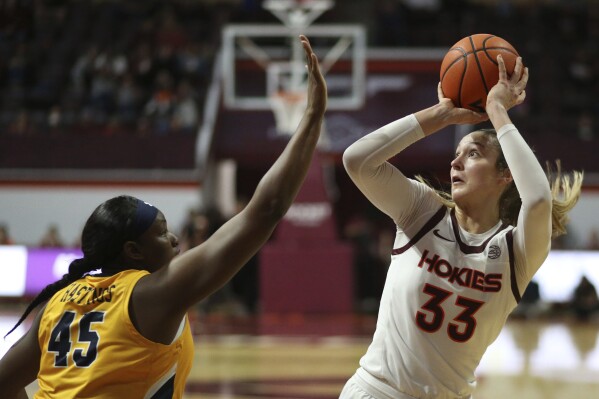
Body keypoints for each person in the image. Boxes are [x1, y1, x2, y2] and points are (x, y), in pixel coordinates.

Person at [0, 35, 326, 399]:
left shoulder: (55, 303)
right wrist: (312, 117)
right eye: (161, 233)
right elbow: (266, 210)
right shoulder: (151, 294)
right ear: (133, 251)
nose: (172, 240)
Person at [341, 55, 582, 399]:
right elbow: (357, 162)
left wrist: (497, 110)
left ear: (505, 174)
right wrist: (437, 117)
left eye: (473, 153)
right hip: (378, 391)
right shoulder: (422, 211)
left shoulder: (517, 251)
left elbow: (539, 200)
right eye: (456, 152)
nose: (455, 162)